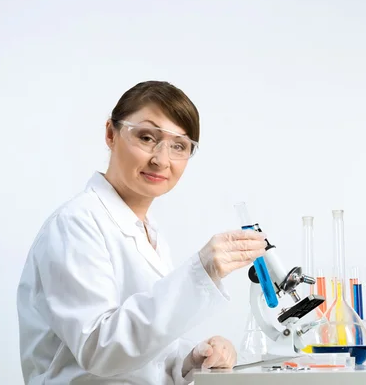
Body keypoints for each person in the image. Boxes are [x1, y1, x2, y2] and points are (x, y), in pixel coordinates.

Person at [16, 80, 268, 384]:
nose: (161, 160)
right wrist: (199, 271)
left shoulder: (149, 233)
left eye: (179, 146)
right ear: (111, 133)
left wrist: (191, 359)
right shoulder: (75, 223)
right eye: (147, 137)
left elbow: (144, 352)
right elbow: (100, 350)